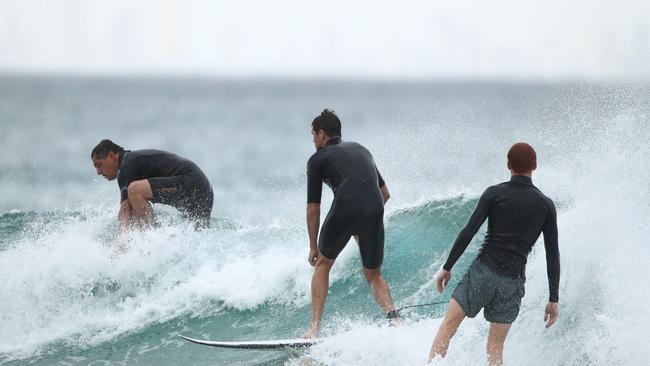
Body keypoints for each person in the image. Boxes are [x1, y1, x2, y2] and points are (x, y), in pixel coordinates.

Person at [428, 143, 560, 365]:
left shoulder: (494, 193)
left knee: (448, 326)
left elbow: (468, 232)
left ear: (508, 165)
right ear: (535, 166)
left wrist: (447, 267)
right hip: (513, 282)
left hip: (483, 273)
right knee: (495, 349)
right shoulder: (546, 205)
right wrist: (553, 298)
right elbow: (552, 255)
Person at [302, 109, 398, 339]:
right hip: (374, 207)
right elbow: (384, 194)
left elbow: (313, 207)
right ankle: (395, 321)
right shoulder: (361, 149)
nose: (313, 140)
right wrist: (364, 224)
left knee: (323, 264)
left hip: (346, 204)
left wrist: (313, 246)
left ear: (322, 134)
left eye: (313, 135)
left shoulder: (318, 159)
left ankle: (314, 329)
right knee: (374, 273)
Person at [91, 139, 214, 230]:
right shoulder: (131, 162)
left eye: (99, 165)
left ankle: (149, 240)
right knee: (197, 234)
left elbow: (125, 211)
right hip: (204, 190)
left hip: (191, 182)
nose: (98, 172)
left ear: (112, 156)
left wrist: (120, 245)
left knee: (134, 190)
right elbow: (129, 210)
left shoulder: (126, 166)